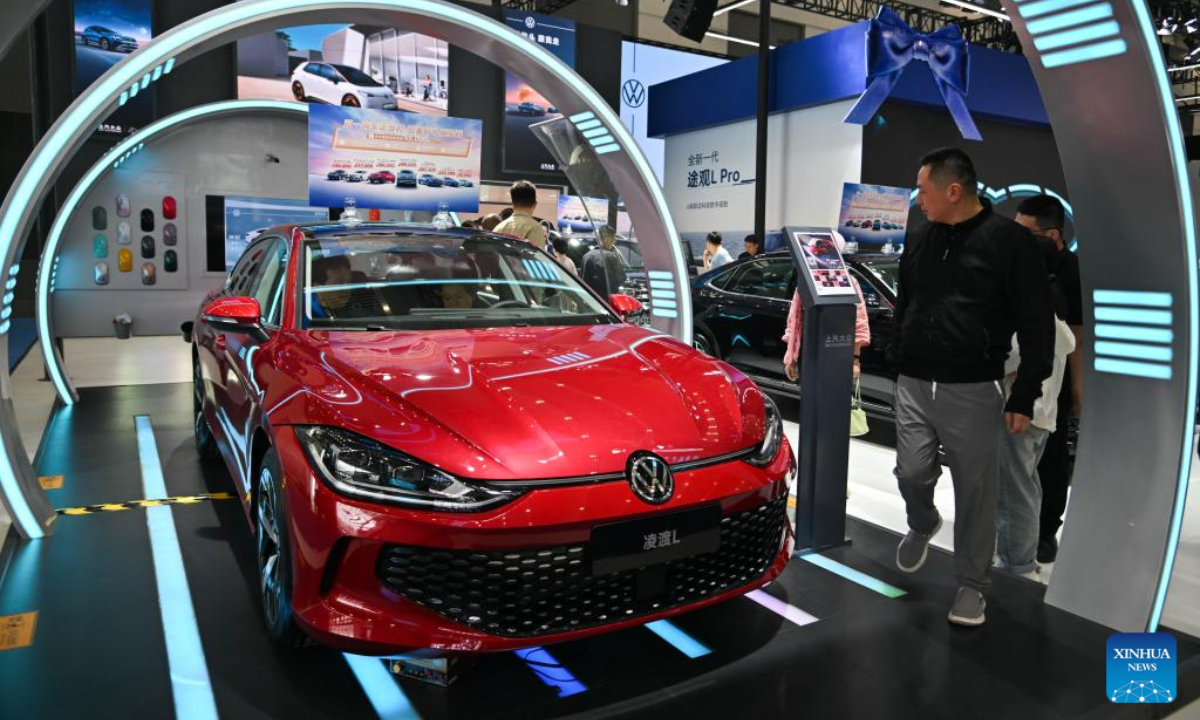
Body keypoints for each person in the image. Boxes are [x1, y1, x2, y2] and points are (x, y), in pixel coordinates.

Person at [889, 147, 1053, 627]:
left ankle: (971, 586)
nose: (917, 198)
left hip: (973, 387)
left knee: (977, 493)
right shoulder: (920, 238)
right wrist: (899, 353)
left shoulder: (1009, 242)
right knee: (911, 472)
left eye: (923, 189)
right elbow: (907, 303)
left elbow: (1036, 323)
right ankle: (922, 522)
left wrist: (1025, 392)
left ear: (953, 190)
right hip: (915, 381)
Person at [996, 246, 1076, 581]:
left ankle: (1018, 564)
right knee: (1027, 487)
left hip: (1020, 417)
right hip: (1042, 417)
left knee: (1015, 492)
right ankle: (1021, 558)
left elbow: (1007, 365)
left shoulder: (1032, 323)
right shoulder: (1056, 319)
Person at [1014, 195, 1083, 565]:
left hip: (1052, 382)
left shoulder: (1071, 272)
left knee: (1050, 460)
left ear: (1051, 233)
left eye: (1026, 231)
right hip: (1023, 381)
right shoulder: (1020, 264)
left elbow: (1076, 334)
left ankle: (1044, 532)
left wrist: (1077, 388)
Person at [782, 233, 870, 382]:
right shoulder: (806, 282)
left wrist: (855, 360)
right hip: (809, 350)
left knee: (833, 397)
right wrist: (791, 357)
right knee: (811, 398)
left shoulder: (848, 281)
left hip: (838, 350)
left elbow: (859, 322)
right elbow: (795, 319)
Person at [493, 181, 547, 250]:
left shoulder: (498, 228)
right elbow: (538, 258)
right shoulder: (535, 228)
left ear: (512, 203)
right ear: (535, 204)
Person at [581, 225, 626, 297]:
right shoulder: (611, 257)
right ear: (607, 239)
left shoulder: (586, 257)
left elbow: (584, 281)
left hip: (590, 300)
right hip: (607, 302)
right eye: (613, 238)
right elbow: (621, 279)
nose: (614, 241)